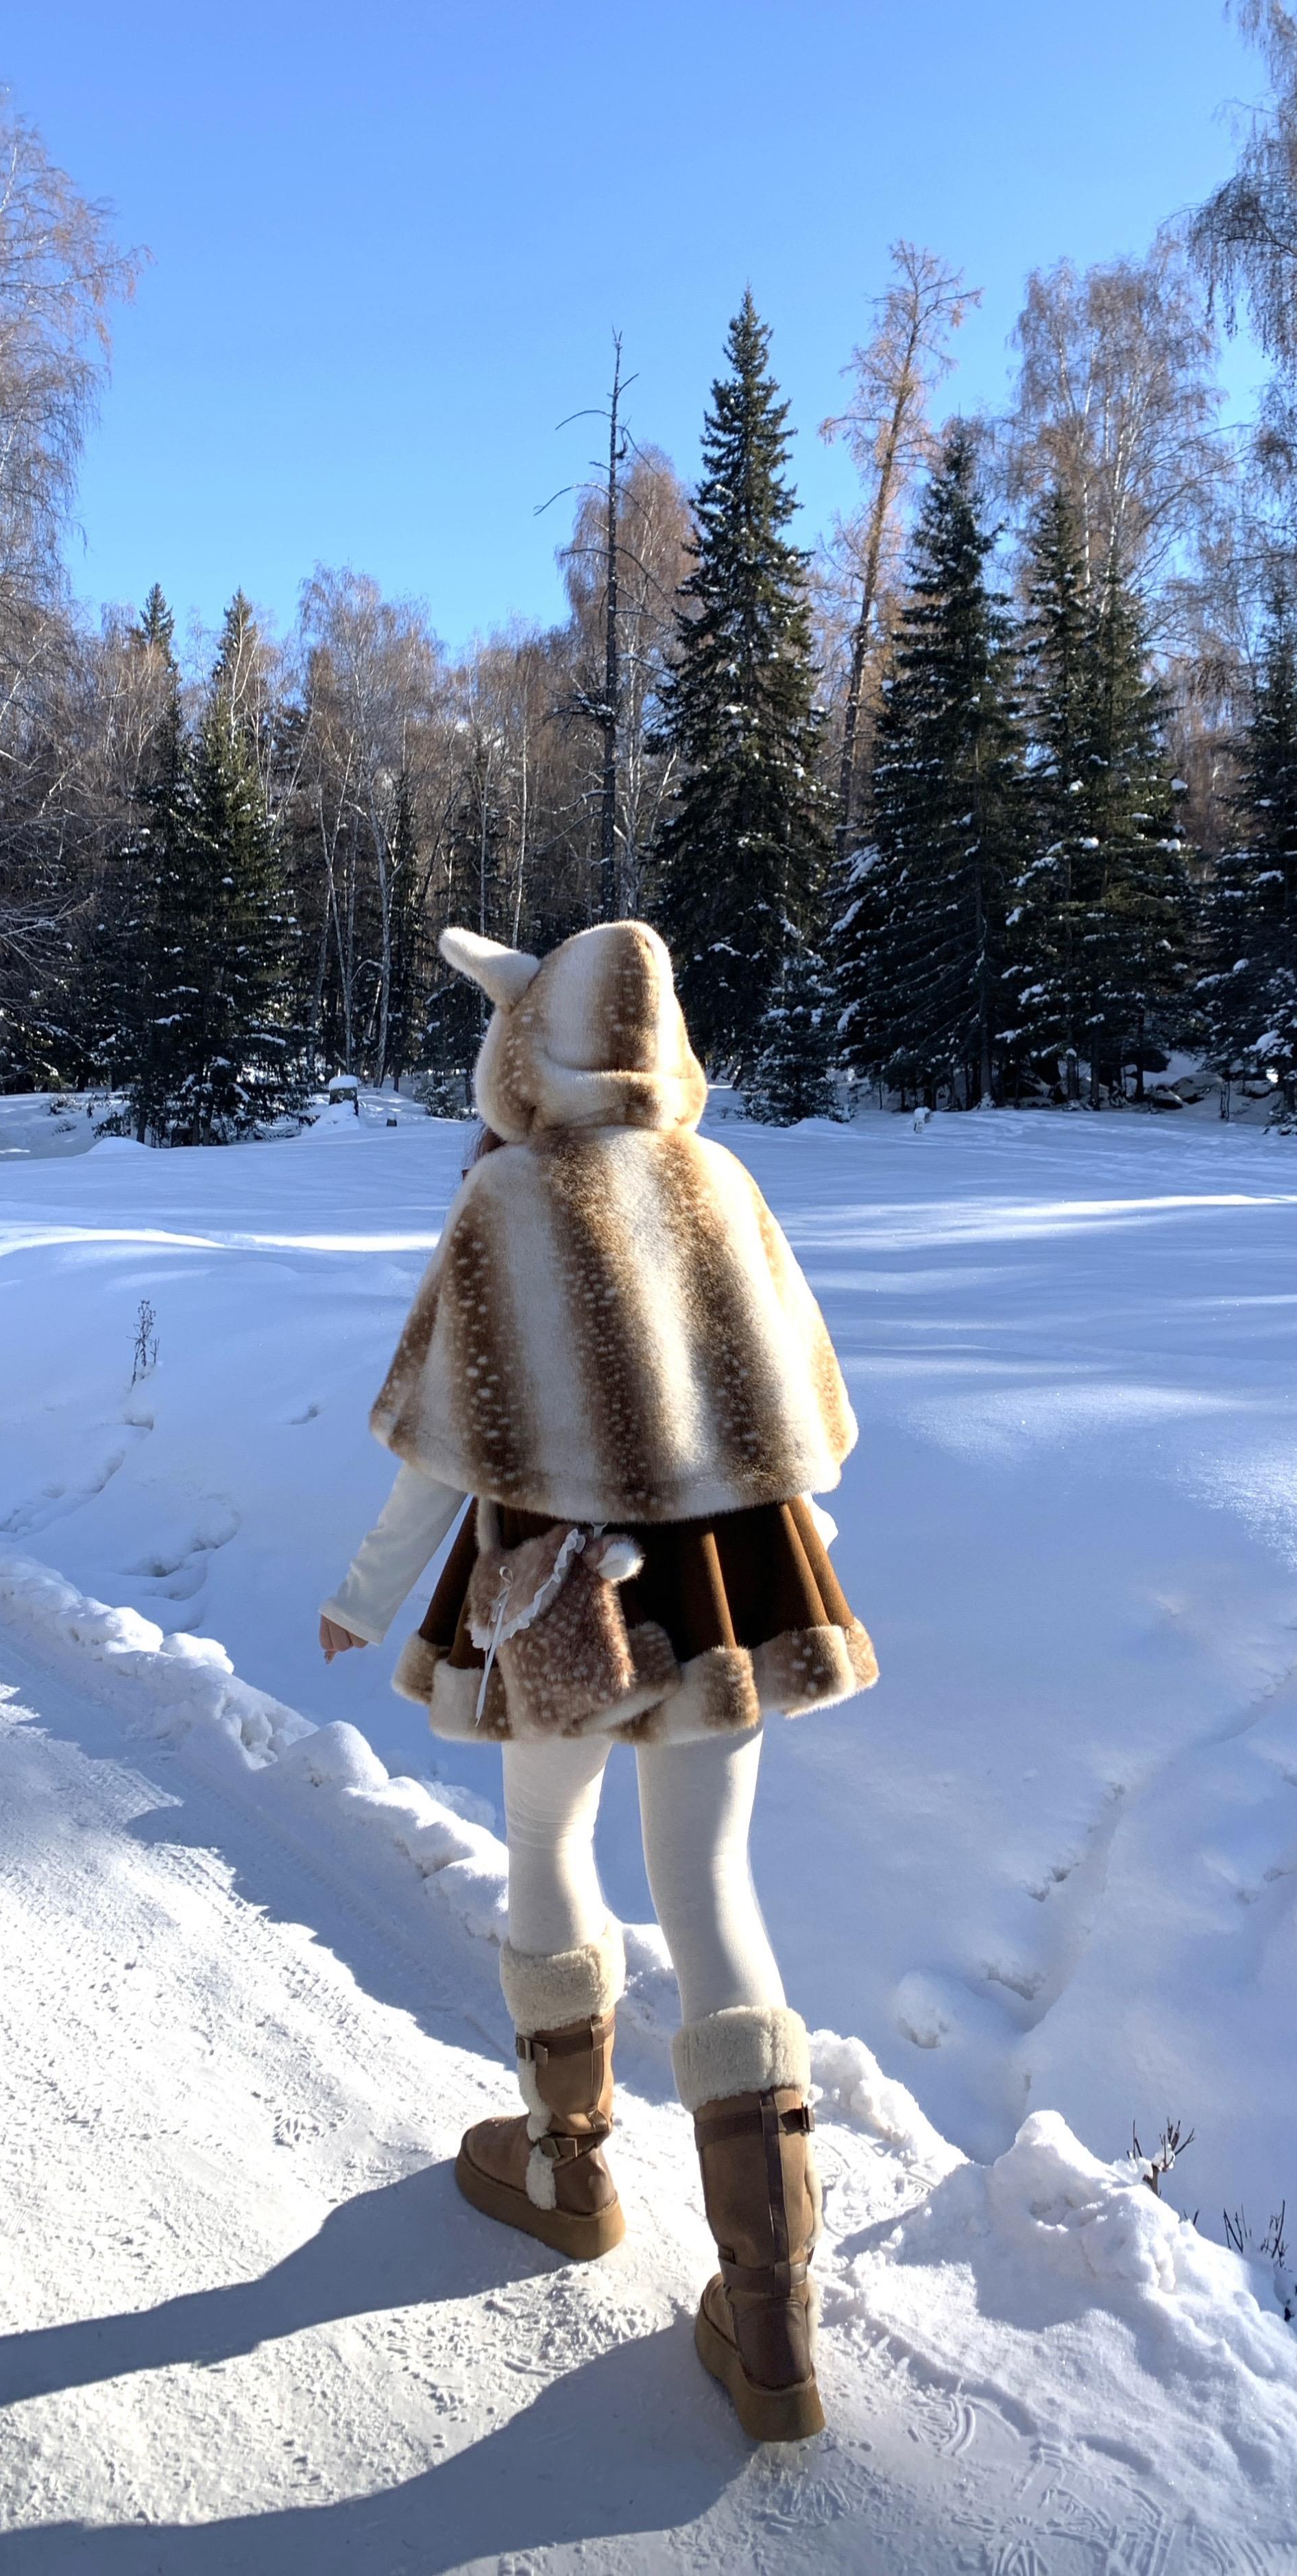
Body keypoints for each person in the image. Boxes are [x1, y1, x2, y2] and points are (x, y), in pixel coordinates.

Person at [319, 919, 876, 2444]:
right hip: (728, 1578)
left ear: (526, 1051)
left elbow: (440, 1446)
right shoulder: (723, 1181)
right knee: (711, 1881)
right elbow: (812, 1415)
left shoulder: (507, 1196)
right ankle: (771, 2312)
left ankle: (568, 2169)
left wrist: (363, 1599)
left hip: (553, 1590)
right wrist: (782, 1527)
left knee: (549, 1836)